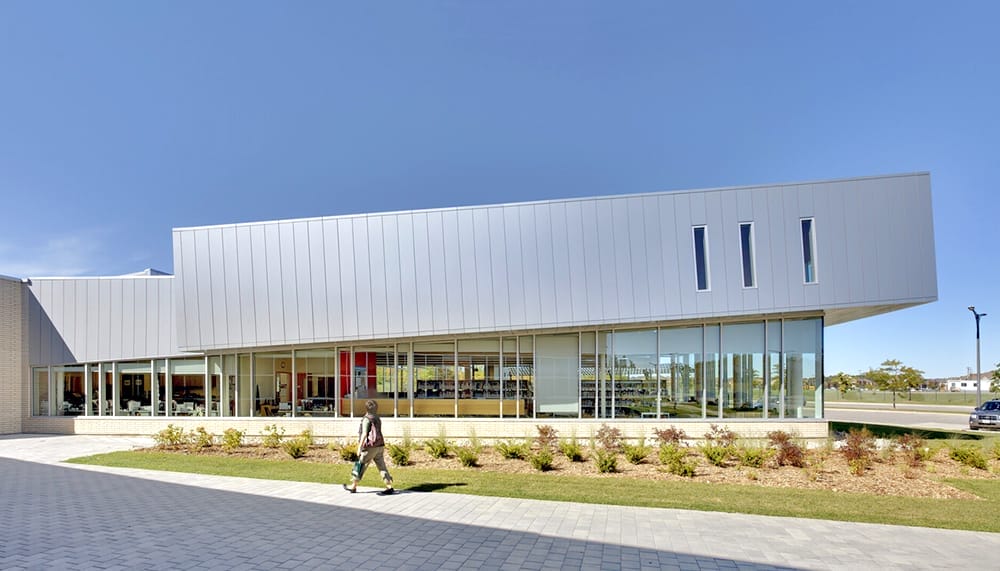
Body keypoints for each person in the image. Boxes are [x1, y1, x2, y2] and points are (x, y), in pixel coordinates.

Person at [343, 400, 395, 495]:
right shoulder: (377, 418)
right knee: (382, 466)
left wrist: (359, 447)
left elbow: (364, 434)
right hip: (379, 445)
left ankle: (353, 486)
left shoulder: (367, 419)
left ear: (366, 408)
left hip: (370, 447)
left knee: (360, 465)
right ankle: (389, 486)